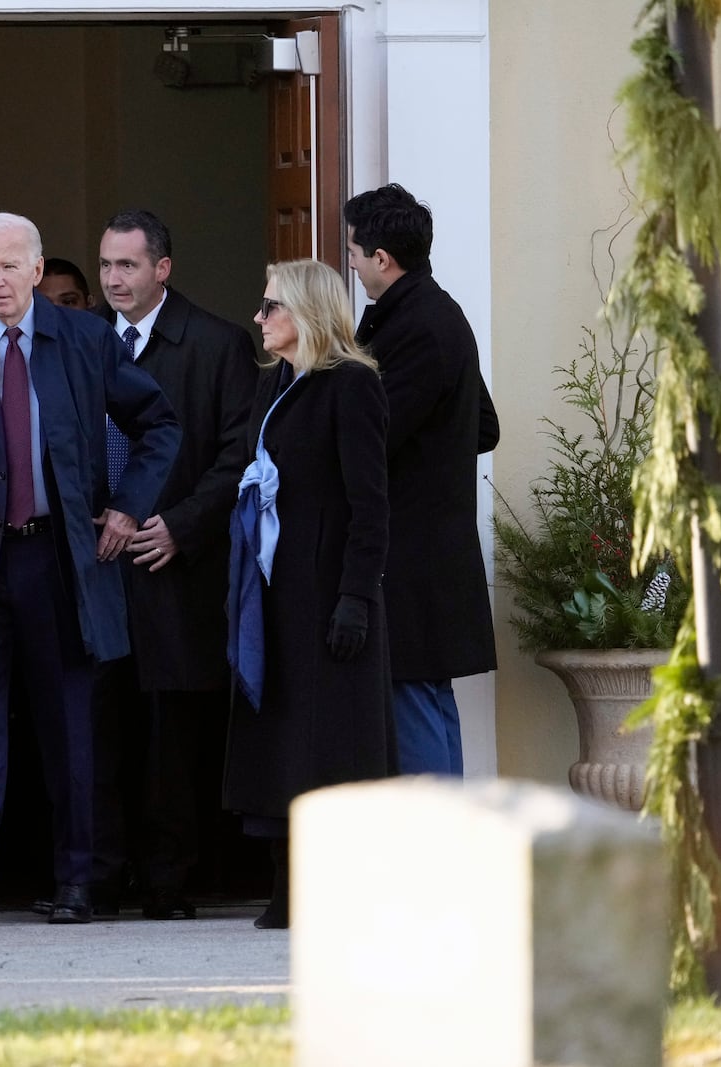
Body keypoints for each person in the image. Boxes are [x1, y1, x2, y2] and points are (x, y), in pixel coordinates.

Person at [0, 211, 180, 927]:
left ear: (39, 270)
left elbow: (160, 426)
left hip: (63, 561)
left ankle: (77, 880)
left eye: (11, 265)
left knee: (71, 729)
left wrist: (128, 508)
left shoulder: (85, 340)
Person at [89, 209, 259, 921]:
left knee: (171, 732)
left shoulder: (219, 344)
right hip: (98, 562)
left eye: (128, 265)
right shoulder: (84, 341)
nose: (113, 279)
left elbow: (241, 453)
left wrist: (181, 527)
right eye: (105, 266)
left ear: (163, 268)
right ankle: (97, 875)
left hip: (177, 565)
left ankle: (168, 880)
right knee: (99, 726)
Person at [223, 259, 394, 931]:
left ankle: (339, 891)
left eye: (271, 307)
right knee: (281, 740)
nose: (260, 318)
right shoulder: (274, 386)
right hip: (272, 590)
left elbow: (370, 503)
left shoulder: (350, 386)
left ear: (307, 313)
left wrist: (356, 595)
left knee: (331, 743)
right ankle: (285, 886)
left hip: (326, 592)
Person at [344, 184, 500, 776]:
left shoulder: (416, 324)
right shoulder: (437, 312)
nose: (353, 264)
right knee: (427, 698)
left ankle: (436, 852)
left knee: (412, 700)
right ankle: (449, 842)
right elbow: (481, 426)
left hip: (410, 548)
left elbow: (372, 435)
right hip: (431, 545)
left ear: (382, 258)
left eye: (356, 252)